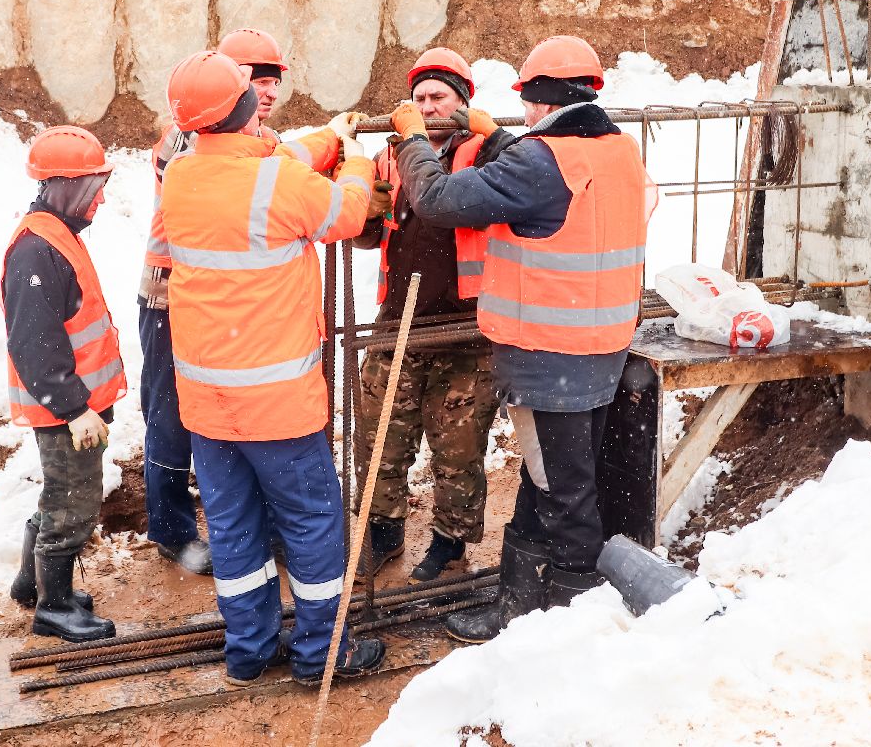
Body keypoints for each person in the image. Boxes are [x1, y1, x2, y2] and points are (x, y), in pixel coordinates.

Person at [385, 36, 654, 644]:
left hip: (547, 357)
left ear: (536, 102)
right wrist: (500, 137)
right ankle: (519, 609)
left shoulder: (542, 159)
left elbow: (440, 199)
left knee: (565, 496)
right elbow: (549, 191)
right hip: (598, 350)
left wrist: (408, 140)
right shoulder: (617, 150)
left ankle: (567, 629)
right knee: (546, 480)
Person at [160, 50, 385, 687]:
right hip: (276, 402)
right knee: (312, 524)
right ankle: (319, 655)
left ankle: (250, 648)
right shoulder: (278, 185)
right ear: (239, 107)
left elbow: (274, 162)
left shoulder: (180, 175)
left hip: (208, 401)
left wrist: (327, 137)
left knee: (234, 528)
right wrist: (359, 155)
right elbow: (345, 210)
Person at [137, 28, 340, 575]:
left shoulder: (242, 135)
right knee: (174, 420)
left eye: (273, 82)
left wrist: (324, 140)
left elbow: (276, 159)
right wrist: (333, 151)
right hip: (170, 294)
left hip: (217, 297)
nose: (266, 94)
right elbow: (270, 169)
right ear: (227, 85)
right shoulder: (191, 136)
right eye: (256, 82)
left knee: (232, 420)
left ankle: (257, 538)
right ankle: (173, 530)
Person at [351, 47, 514, 582]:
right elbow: (369, 234)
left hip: (467, 326)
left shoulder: (486, 157)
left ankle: (450, 541)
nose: (426, 106)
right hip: (399, 319)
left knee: (458, 444)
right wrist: (363, 208)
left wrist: (485, 135)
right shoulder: (393, 156)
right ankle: (383, 529)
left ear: (463, 102)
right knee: (380, 435)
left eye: (438, 96)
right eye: (419, 98)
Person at [1, 125, 128, 644]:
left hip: (76, 404)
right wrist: (75, 409)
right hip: (66, 409)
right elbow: (34, 341)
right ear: (61, 186)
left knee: (61, 493)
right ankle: (53, 608)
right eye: (91, 187)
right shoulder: (37, 251)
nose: (98, 198)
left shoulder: (56, 235)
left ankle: (33, 584)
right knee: (74, 501)